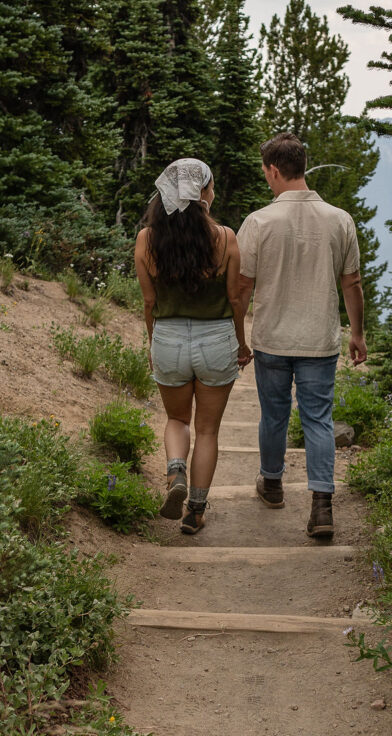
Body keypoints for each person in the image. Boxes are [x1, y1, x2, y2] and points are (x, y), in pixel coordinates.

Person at [237, 133, 367, 540]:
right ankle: (322, 506)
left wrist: (238, 337)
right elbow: (353, 284)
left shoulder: (259, 221)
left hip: (272, 337)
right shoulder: (339, 219)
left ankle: (272, 485)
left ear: (274, 170)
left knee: (273, 415)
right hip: (319, 339)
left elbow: (241, 288)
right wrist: (357, 333)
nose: (266, 180)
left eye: (265, 173)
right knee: (318, 419)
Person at [135, 158, 252, 535]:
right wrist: (240, 343)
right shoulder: (225, 238)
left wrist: (155, 342)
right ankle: (196, 511)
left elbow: (149, 302)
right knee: (207, 431)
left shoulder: (146, 240)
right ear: (203, 192)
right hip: (216, 339)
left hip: (169, 337)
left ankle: (175, 471)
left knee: (176, 419)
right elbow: (235, 299)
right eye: (212, 186)